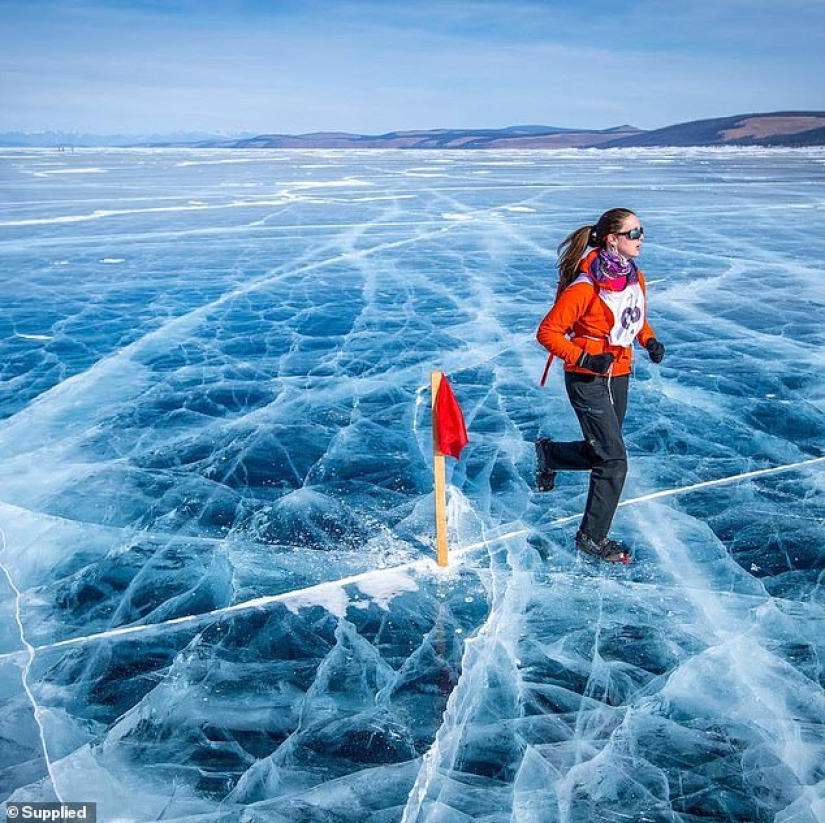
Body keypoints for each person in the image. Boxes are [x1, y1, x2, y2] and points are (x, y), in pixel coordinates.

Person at [535, 208, 665, 563]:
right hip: (587, 378)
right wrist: (584, 358)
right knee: (614, 461)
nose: (641, 238)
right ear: (612, 239)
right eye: (633, 233)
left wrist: (649, 340)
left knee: (603, 451)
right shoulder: (585, 285)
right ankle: (591, 538)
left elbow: (634, 318)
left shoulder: (634, 277)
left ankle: (551, 455)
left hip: (618, 373)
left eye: (641, 231)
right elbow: (547, 332)